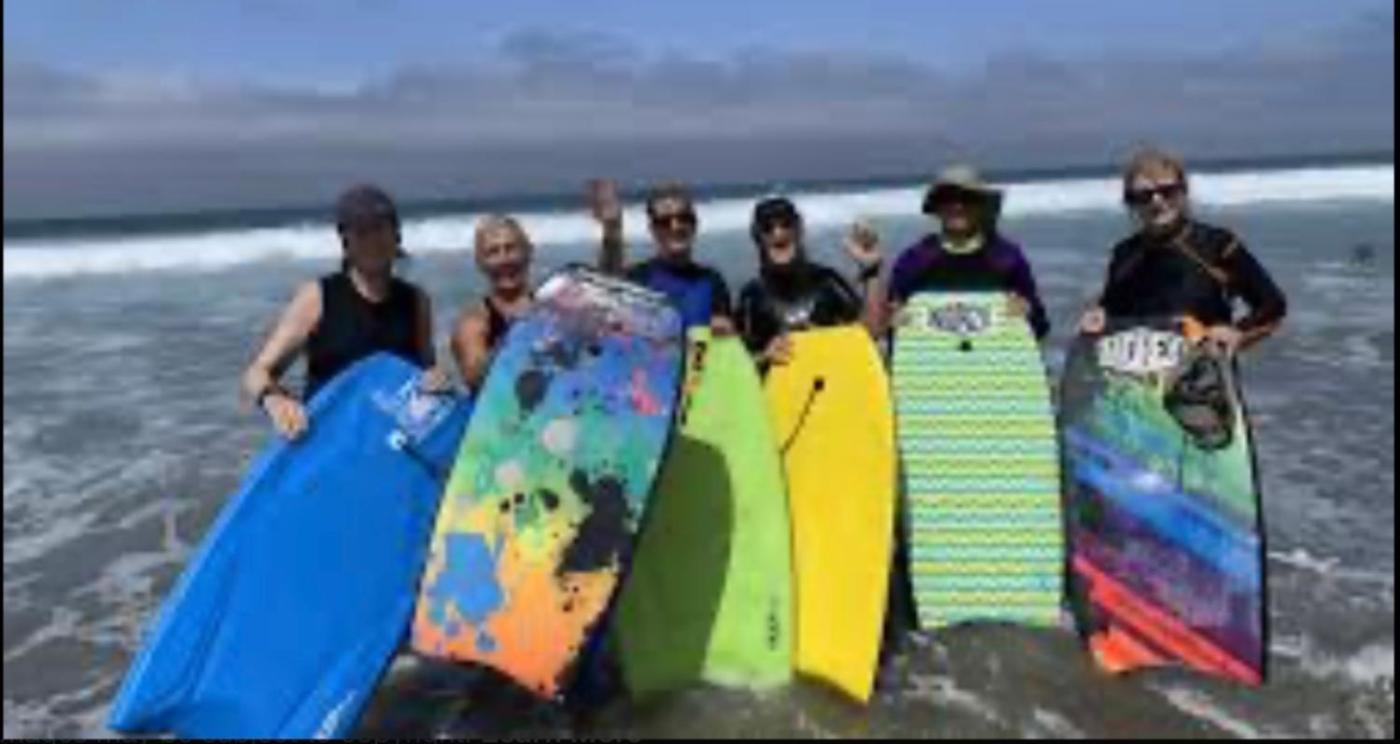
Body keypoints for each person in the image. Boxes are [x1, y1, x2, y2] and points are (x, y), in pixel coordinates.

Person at [241, 184, 438, 440]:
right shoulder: (318, 297)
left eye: (379, 228)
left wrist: (436, 381)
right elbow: (256, 373)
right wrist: (275, 400)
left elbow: (426, 374)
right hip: (329, 443)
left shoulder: (415, 300)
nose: (372, 240)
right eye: (361, 232)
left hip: (393, 444)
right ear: (345, 240)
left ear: (396, 234)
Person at [1078, 147, 1287, 351]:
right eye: (1144, 196)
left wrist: (1236, 332)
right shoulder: (1124, 253)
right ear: (1131, 202)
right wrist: (1098, 318)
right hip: (1134, 372)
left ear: (1183, 192)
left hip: (1205, 368)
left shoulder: (1218, 244)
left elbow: (1273, 305)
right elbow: (1111, 311)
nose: (1157, 201)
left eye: (1167, 191)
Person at [865, 164, 1050, 340]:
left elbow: (1040, 327)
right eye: (948, 198)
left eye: (967, 198)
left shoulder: (1007, 257)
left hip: (995, 360)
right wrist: (895, 320)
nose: (957, 206)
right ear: (936, 207)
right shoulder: (914, 259)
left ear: (980, 205)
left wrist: (1027, 313)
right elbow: (884, 328)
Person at [735, 195, 884, 368]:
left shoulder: (827, 281)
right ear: (757, 237)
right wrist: (764, 357)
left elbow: (871, 332)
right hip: (780, 384)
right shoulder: (751, 297)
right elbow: (736, 364)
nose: (778, 233)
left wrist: (872, 271)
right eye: (767, 228)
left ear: (799, 229)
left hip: (830, 380)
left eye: (786, 224)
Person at [590, 179, 735, 332]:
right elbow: (605, 294)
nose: (676, 226)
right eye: (664, 222)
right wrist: (611, 229)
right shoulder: (638, 279)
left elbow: (725, 335)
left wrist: (724, 331)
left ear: (695, 224)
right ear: (653, 230)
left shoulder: (712, 281)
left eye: (684, 218)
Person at [450, 215, 535, 390]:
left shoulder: (555, 308)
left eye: (511, 248)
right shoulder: (473, 322)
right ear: (480, 263)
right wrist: (517, 332)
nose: (504, 259)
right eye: (493, 252)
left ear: (529, 252)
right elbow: (475, 379)